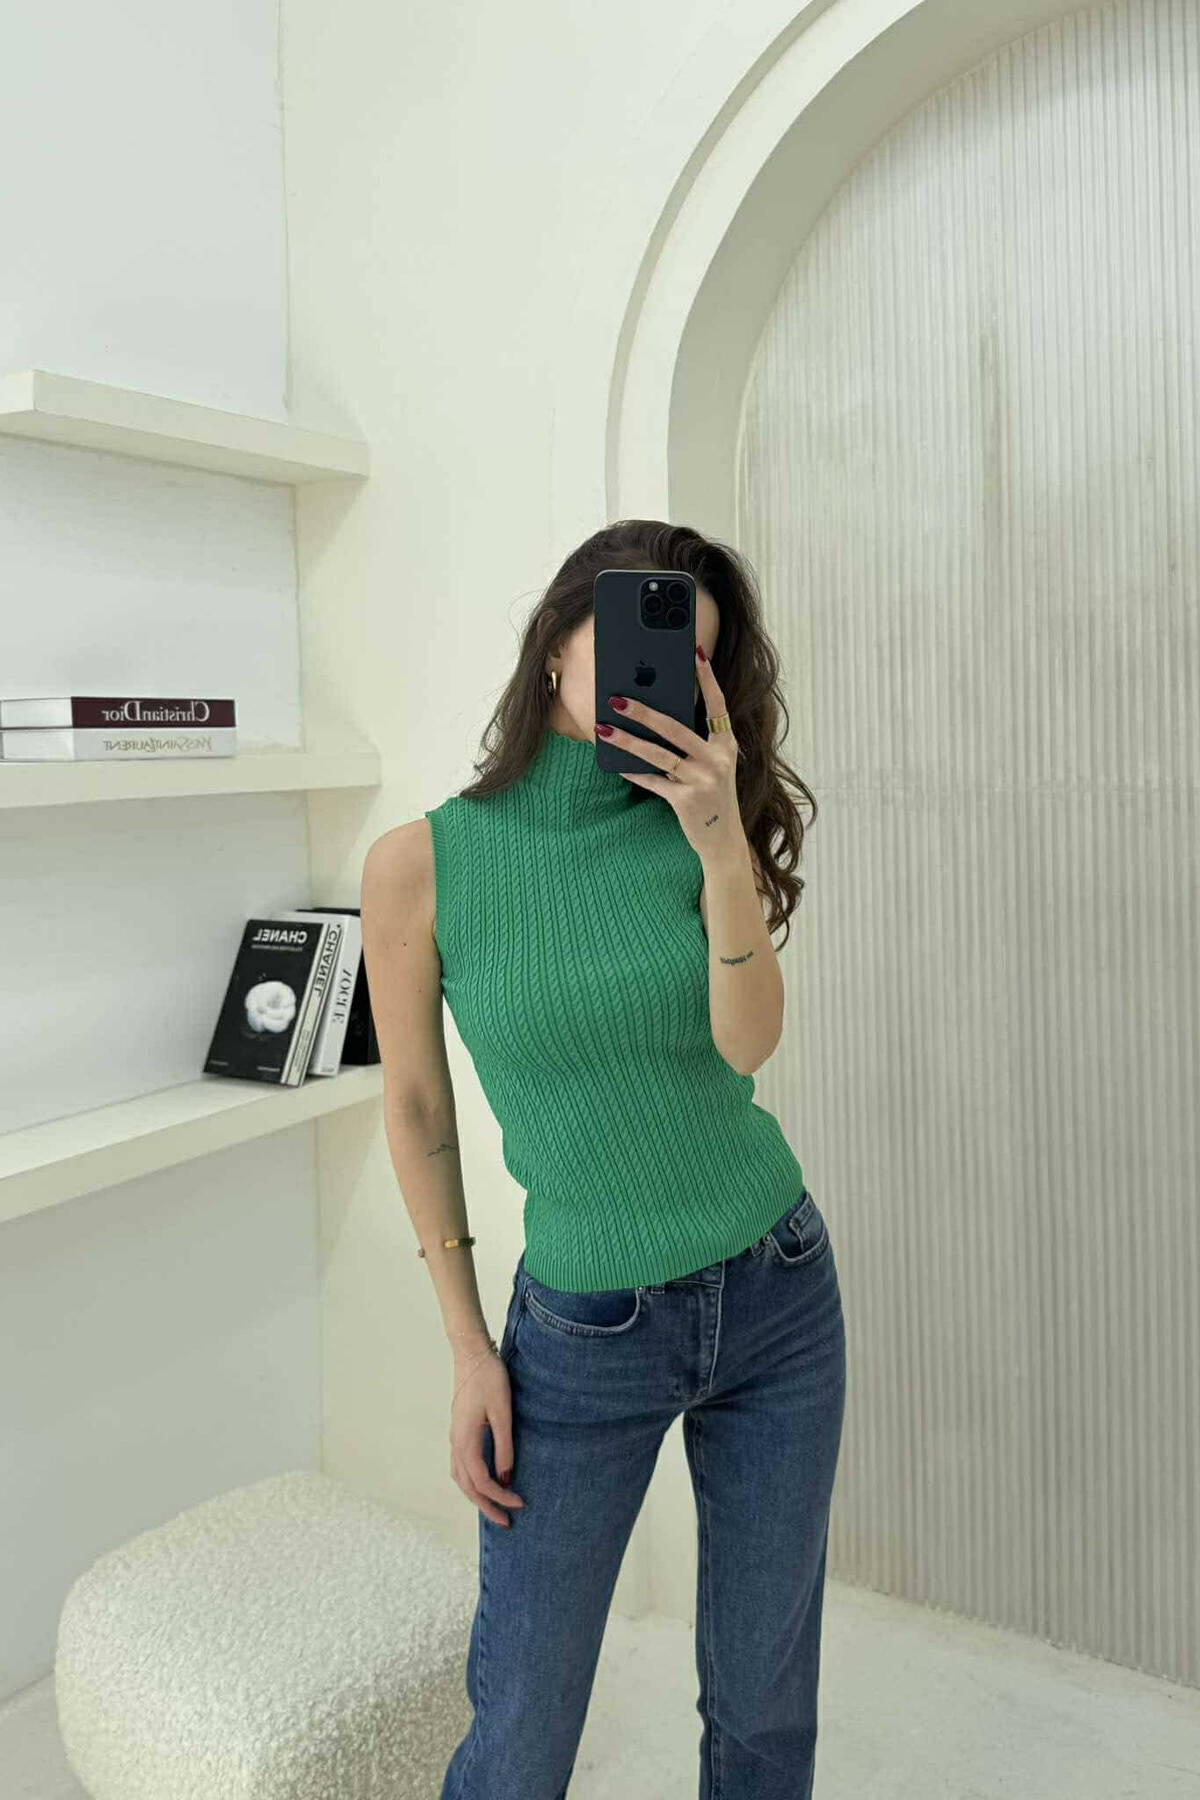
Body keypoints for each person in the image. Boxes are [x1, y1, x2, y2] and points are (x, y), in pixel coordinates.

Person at [360, 518, 846, 1799]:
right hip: (585, 1331)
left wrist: (720, 839)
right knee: (522, 1727)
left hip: (778, 1287)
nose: (661, 675)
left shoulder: (696, 824)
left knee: (761, 1709)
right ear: (557, 644)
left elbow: (747, 1046)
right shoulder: (419, 865)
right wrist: (470, 1348)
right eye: (639, 638)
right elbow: (416, 1107)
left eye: (694, 659)